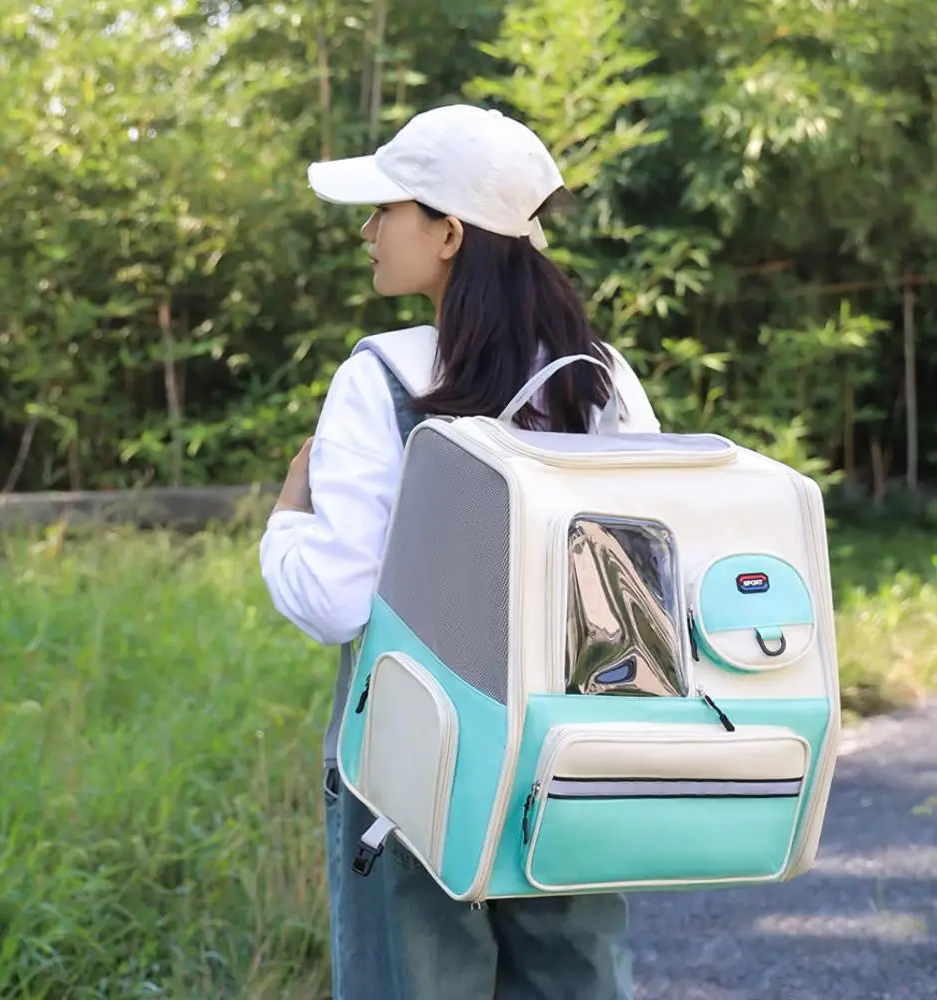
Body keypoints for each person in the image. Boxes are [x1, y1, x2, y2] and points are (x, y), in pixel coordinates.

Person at [259, 104, 660, 1000]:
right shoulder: (600, 379)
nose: (368, 231)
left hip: (419, 764)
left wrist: (286, 519)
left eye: (385, 210)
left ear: (448, 234)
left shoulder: (381, 379)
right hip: (572, 752)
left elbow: (335, 603)